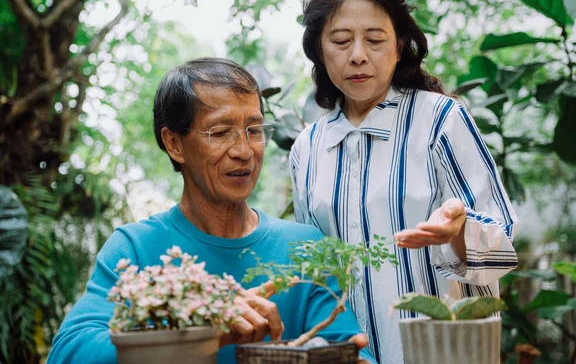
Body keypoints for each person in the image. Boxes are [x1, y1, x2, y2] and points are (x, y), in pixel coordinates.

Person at [47, 58, 375, 364]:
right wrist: (202, 328)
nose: (244, 151)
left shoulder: (304, 247)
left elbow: (346, 345)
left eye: (254, 130)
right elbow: (68, 351)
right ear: (174, 144)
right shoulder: (135, 247)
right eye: (220, 133)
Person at [290, 0, 519, 364]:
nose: (358, 54)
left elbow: (503, 240)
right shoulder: (308, 148)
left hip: (444, 355)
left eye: (375, 40)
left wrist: (458, 232)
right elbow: (315, 272)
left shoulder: (441, 120)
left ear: (399, 46)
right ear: (319, 51)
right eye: (341, 41)